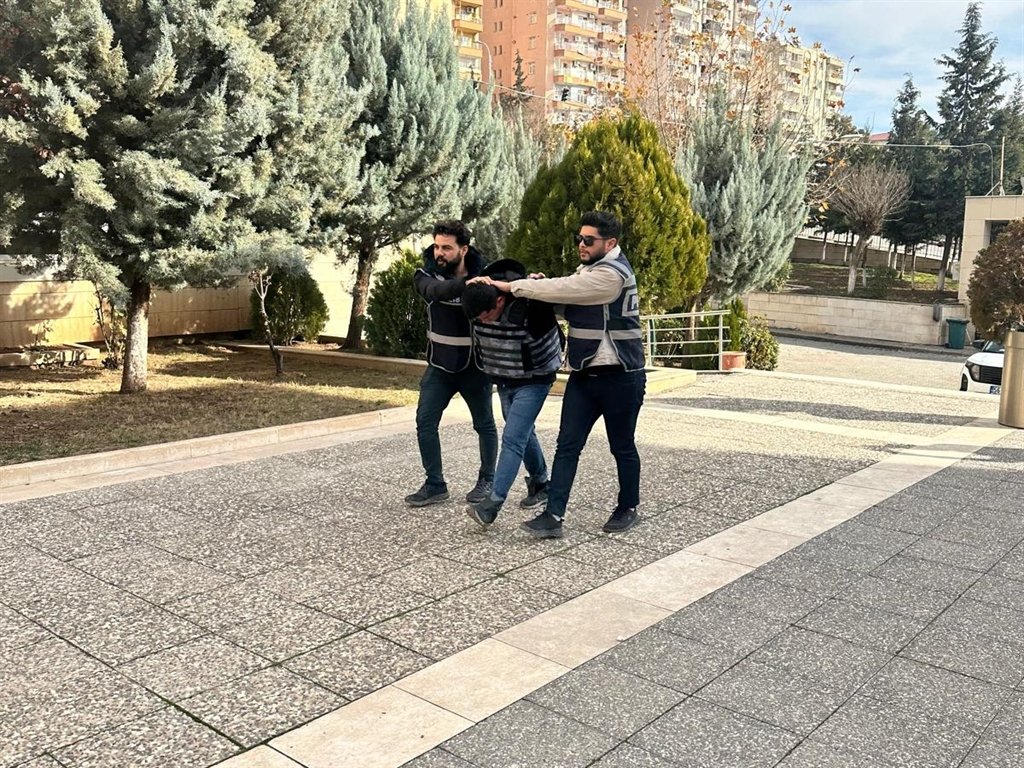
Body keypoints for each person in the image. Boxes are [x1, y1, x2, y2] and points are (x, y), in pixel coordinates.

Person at [479, 211, 645, 538]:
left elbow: (568, 288)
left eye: (589, 240)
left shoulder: (612, 275)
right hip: (584, 375)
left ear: (610, 243)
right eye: (579, 238)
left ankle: (628, 507)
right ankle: (553, 515)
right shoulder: (589, 271)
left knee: (622, 446)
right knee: (567, 445)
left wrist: (513, 286)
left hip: (621, 376)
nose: (581, 244)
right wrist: (537, 288)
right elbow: (566, 300)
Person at [461, 259, 563, 528]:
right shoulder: (478, 299)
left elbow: (561, 297)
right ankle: (540, 482)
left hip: (535, 380)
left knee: (513, 437)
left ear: (499, 301)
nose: (483, 321)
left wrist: (538, 285)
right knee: (523, 432)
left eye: (487, 316)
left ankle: (492, 505)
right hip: (503, 377)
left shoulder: (531, 305)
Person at [405, 220, 497, 507]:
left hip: (475, 368)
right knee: (425, 422)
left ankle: (487, 480)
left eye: (446, 248)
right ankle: (435, 484)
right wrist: (466, 285)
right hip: (440, 366)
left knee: (485, 424)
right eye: (436, 246)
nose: (439, 253)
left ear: (463, 249)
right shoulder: (425, 275)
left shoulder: (486, 275)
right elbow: (435, 291)